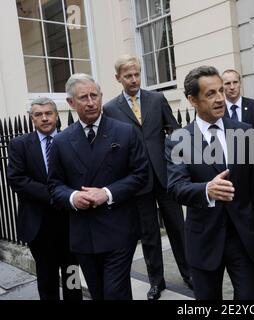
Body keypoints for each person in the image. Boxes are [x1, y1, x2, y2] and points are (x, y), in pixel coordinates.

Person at [165, 66, 254, 300]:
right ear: (192, 100)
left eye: (220, 91)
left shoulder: (246, 132)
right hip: (204, 238)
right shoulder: (179, 139)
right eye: (210, 94)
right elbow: (176, 187)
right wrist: (207, 189)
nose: (219, 99)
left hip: (242, 236)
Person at [47, 74, 148, 300]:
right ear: (71, 103)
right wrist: (73, 197)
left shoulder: (125, 131)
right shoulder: (62, 141)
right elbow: (54, 185)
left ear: (102, 97)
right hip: (84, 232)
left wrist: (107, 193)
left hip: (120, 228)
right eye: (84, 97)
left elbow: (141, 175)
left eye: (95, 96)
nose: (91, 102)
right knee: (99, 293)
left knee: (115, 292)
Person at [103, 55, 192, 300]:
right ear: (118, 78)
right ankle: (156, 281)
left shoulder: (156, 99)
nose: (133, 80)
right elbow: (113, 145)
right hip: (137, 181)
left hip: (165, 177)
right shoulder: (110, 109)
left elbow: (175, 132)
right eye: (128, 76)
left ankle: (189, 273)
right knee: (149, 234)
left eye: (136, 74)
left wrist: (177, 165)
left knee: (178, 228)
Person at [7, 98, 82, 301]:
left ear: (56, 115)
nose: (44, 118)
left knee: (71, 272)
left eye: (48, 113)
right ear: (32, 119)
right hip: (39, 224)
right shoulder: (19, 144)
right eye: (38, 115)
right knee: (47, 276)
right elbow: (17, 180)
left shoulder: (72, 140)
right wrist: (56, 195)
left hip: (70, 222)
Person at [221, 68, 254, 275]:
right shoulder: (219, 109)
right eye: (227, 84)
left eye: (235, 82)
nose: (232, 87)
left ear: (240, 83)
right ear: (222, 86)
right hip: (231, 171)